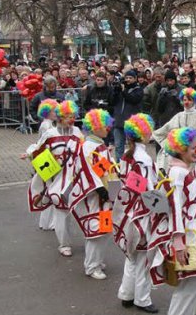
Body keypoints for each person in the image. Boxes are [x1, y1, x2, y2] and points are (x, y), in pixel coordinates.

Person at [147, 127, 196, 315]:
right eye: (192, 148)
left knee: (194, 283)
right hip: (189, 237)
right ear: (180, 149)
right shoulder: (178, 172)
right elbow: (175, 206)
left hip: (194, 234)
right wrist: (178, 243)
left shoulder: (182, 170)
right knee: (190, 285)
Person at [113, 113, 159, 313]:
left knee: (131, 256)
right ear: (144, 133)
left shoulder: (127, 155)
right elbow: (149, 189)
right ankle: (142, 298)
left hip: (127, 210)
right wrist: (161, 210)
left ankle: (127, 294)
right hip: (142, 213)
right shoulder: (144, 158)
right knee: (143, 258)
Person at [27, 100, 84, 257]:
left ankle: (91, 238)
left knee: (80, 209)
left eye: (73, 116)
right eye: (68, 116)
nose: (71, 119)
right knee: (61, 210)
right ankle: (64, 243)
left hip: (75, 177)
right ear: (60, 117)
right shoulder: (50, 134)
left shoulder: (77, 132)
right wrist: (30, 154)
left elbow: (84, 150)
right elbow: (37, 150)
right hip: (57, 179)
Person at [72, 109, 116, 281]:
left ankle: (97, 261)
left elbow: (103, 168)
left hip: (104, 196)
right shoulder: (88, 147)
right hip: (95, 196)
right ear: (94, 126)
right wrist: (101, 190)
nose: (108, 127)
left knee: (104, 229)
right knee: (95, 232)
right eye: (104, 124)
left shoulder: (98, 145)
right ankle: (91, 266)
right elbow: (86, 172)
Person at [22, 99, 59, 231]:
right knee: (52, 190)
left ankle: (45, 222)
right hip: (47, 159)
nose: (56, 113)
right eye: (54, 111)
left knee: (49, 189)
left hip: (46, 158)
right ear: (47, 112)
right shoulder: (47, 126)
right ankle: (52, 223)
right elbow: (42, 143)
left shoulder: (48, 124)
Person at [153, 88, 196, 171]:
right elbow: (166, 129)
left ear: (194, 101)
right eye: (184, 100)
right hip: (183, 150)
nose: (186, 102)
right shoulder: (179, 116)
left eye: (189, 100)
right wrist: (151, 134)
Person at [109, 70, 144, 160]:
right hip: (118, 121)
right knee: (118, 146)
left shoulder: (138, 89)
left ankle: (132, 164)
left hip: (131, 123)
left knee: (132, 146)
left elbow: (133, 99)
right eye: (126, 78)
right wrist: (116, 92)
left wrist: (124, 91)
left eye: (130, 78)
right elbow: (112, 102)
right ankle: (119, 165)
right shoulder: (121, 88)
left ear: (135, 79)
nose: (128, 80)